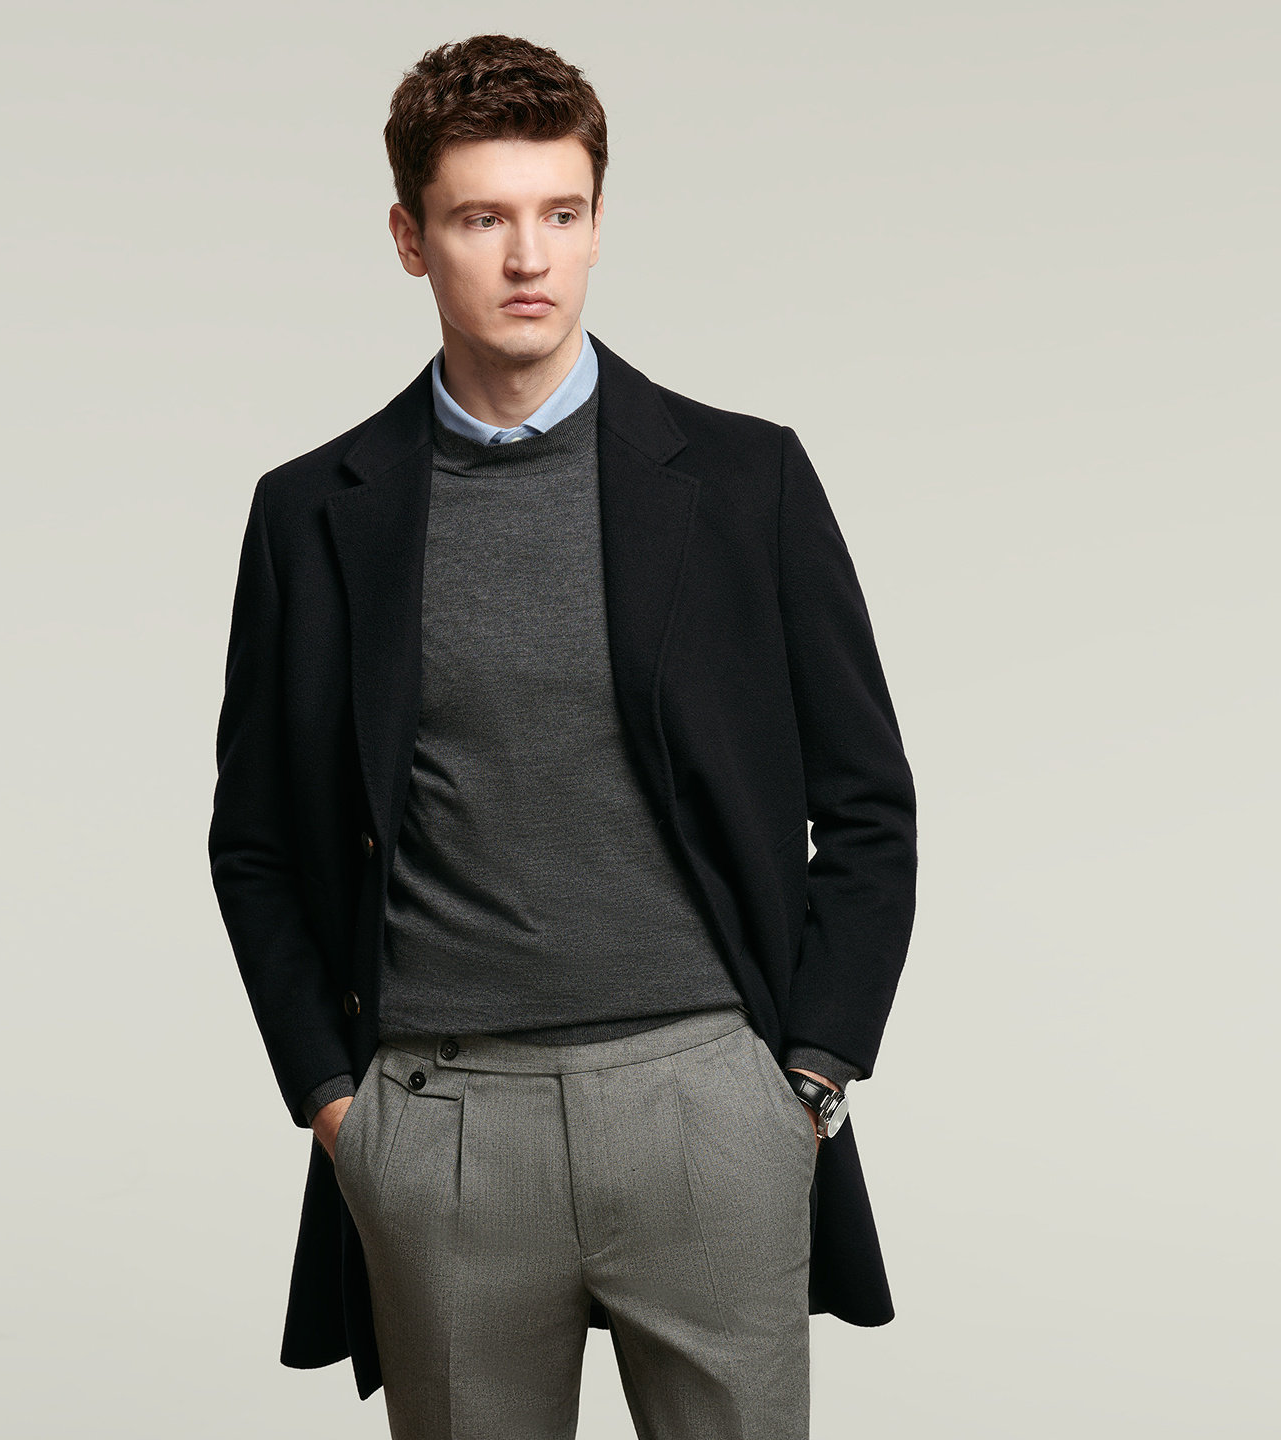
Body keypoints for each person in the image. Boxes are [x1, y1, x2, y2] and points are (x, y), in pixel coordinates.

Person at [208, 32, 917, 1440]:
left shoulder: (746, 480)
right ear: (410, 240)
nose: (528, 257)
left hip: (709, 1105)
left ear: (598, 223)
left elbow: (868, 806)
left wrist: (806, 1083)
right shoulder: (312, 515)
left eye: (561, 212)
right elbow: (258, 841)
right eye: (482, 218)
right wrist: (341, 1109)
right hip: (444, 1122)